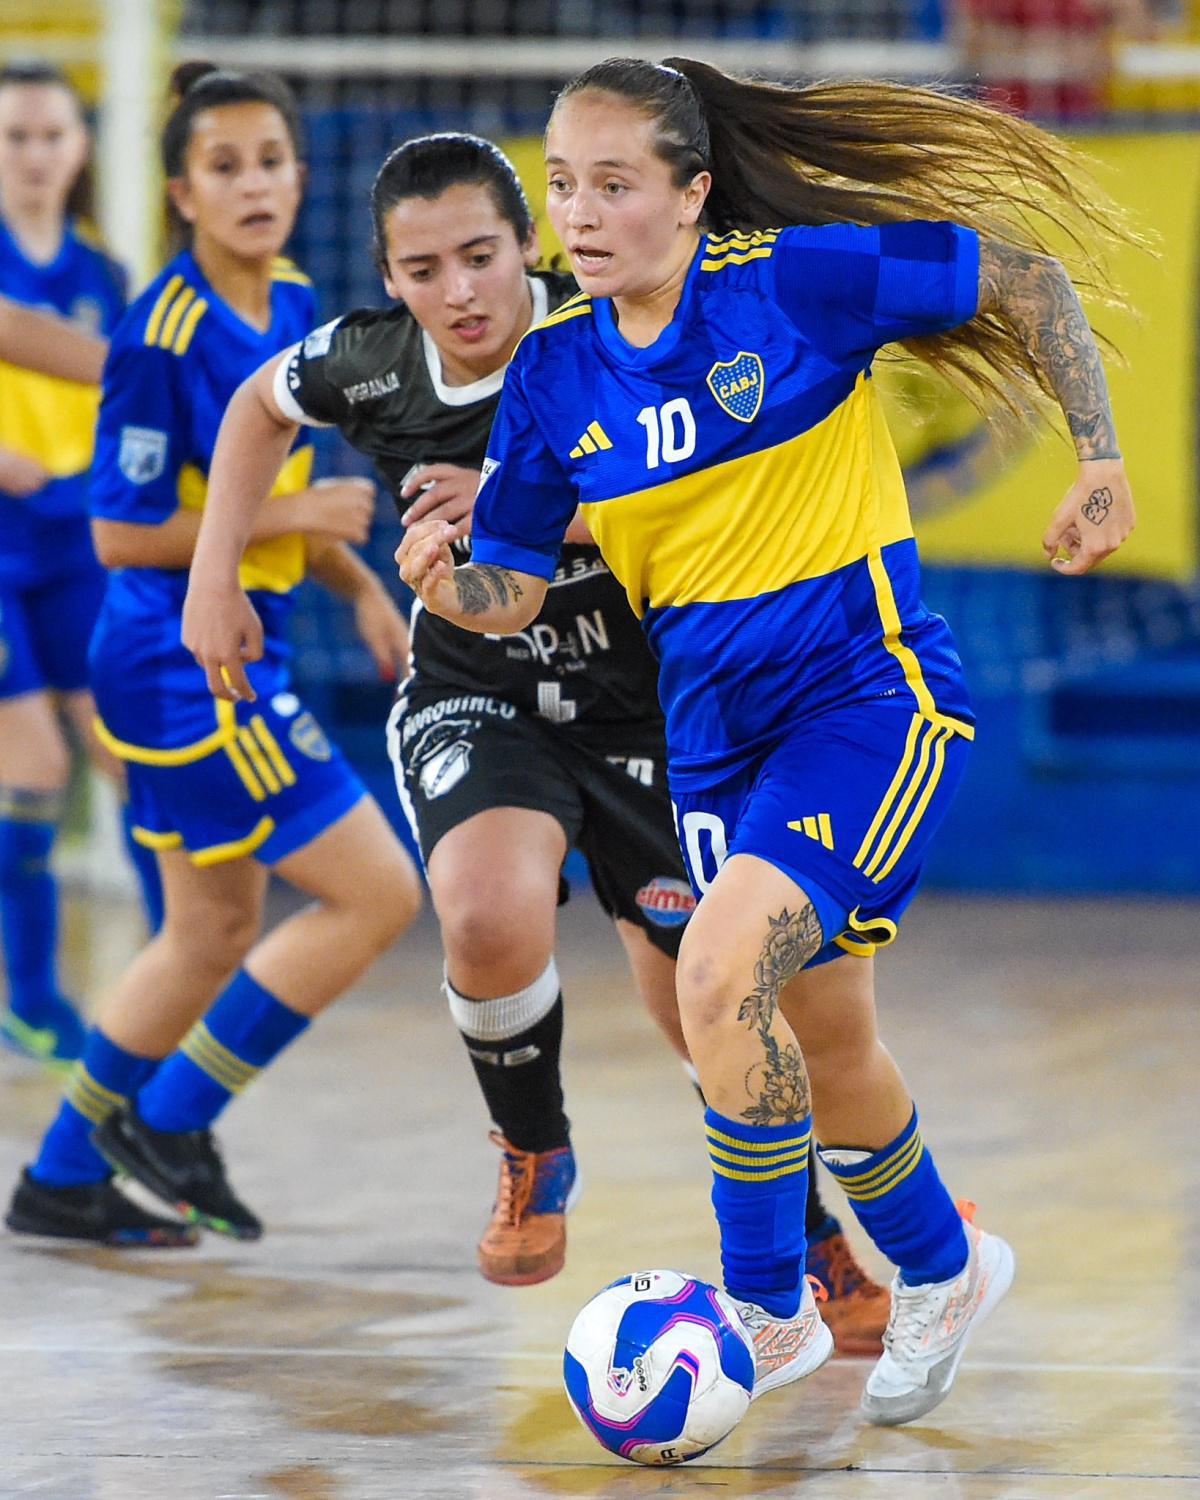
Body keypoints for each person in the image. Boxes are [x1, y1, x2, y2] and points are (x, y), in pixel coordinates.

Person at [387, 58, 1134, 1427]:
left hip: (869, 700)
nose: (583, 213)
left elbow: (1018, 274)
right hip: (714, 743)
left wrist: (1097, 454)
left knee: (718, 971)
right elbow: (515, 584)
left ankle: (761, 1309)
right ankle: (942, 1268)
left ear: (692, 192)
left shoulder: (792, 285)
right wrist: (450, 590)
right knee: (816, 1039)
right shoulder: (552, 376)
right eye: (563, 183)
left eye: (615, 183)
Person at [178, 130, 889, 1353]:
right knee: (486, 908)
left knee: (702, 1004)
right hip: (480, 694)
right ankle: (532, 1146)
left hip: (652, 710)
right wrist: (214, 574)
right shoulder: (370, 365)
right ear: (388, 277)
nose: (459, 292)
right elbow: (255, 407)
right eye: (421, 268)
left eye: (481, 256)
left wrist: (528, 521)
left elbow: (709, 494)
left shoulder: (610, 340)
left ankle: (814, 1232)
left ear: (531, 249)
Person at [4, 63, 420, 1248]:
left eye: (273, 162)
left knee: (208, 932)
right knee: (380, 893)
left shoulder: (292, 304)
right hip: (179, 656)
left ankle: (62, 1177)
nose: (255, 185)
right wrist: (302, 529)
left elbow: (277, 489)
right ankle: (173, 1120)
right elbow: (123, 532)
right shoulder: (161, 335)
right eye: (225, 167)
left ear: (300, 176)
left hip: (249, 638)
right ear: (181, 192)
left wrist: (358, 587)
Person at [0, 60, 161, 1067]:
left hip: (74, 543)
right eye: (14, 137)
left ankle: (179, 972)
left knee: (126, 755)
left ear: (83, 147)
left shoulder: (103, 274)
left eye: (51, 135)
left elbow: (130, 406)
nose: (33, 155)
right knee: (38, 765)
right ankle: (30, 997)